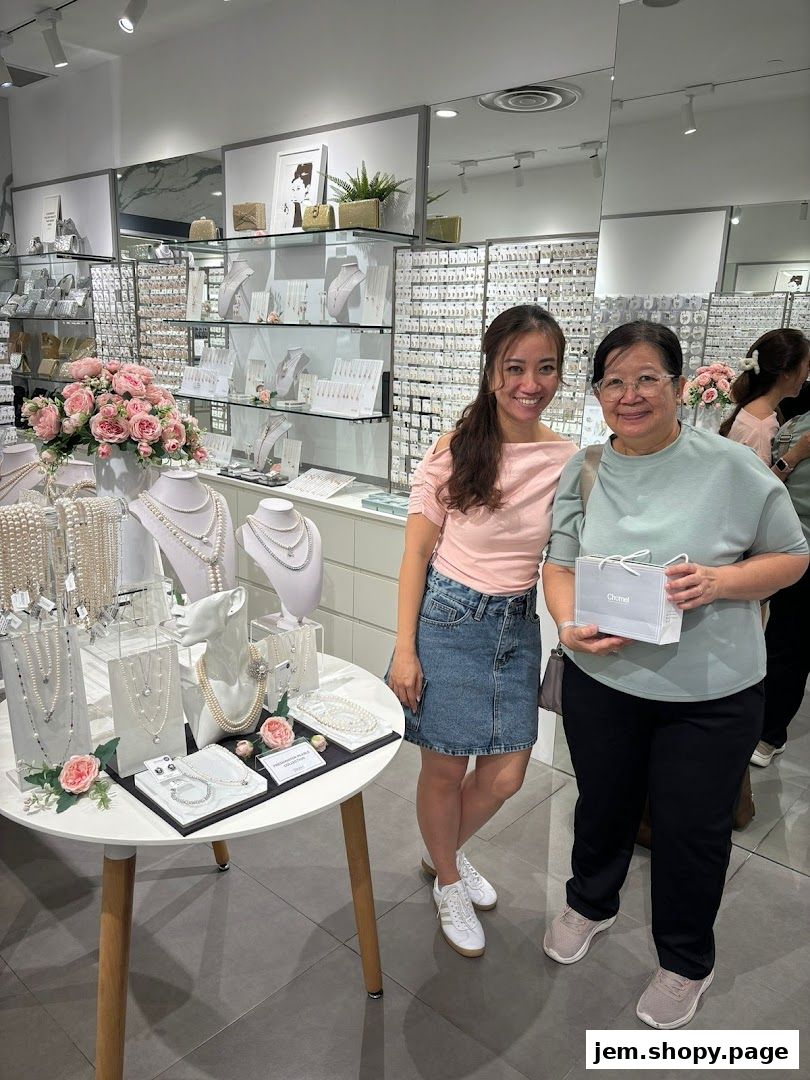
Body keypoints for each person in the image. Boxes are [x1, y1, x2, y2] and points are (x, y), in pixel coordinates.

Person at [542, 321, 807, 1029]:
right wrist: (567, 625)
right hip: (605, 682)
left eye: (647, 378)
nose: (630, 395)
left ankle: (686, 959)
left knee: (692, 831)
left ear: (680, 386)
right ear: (598, 394)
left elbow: (792, 557)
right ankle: (590, 902)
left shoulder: (729, 466)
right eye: (614, 382)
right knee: (600, 802)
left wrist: (719, 583)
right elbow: (559, 563)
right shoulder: (588, 466)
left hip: (710, 695)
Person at [387, 304, 577, 958]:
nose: (531, 382)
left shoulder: (567, 460)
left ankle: (444, 850)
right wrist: (404, 650)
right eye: (515, 367)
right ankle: (446, 875)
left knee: (505, 776)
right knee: (445, 768)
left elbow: (570, 551)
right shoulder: (455, 449)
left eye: (545, 368)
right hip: (449, 619)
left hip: (517, 627)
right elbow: (415, 554)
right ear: (492, 371)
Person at [754, 406, 810, 766]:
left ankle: (770, 732)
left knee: (789, 646)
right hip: (784, 548)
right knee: (784, 644)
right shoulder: (793, 424)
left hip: (787, 550)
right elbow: (770, 482)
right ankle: (768, 730)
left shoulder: (793, 424)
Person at [719, 328, 810, 464]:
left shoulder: (756, 411)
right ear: (787, 370)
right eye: (808, 366)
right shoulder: (761, 428)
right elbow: (759, 485)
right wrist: (794, 456)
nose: (808, 374)